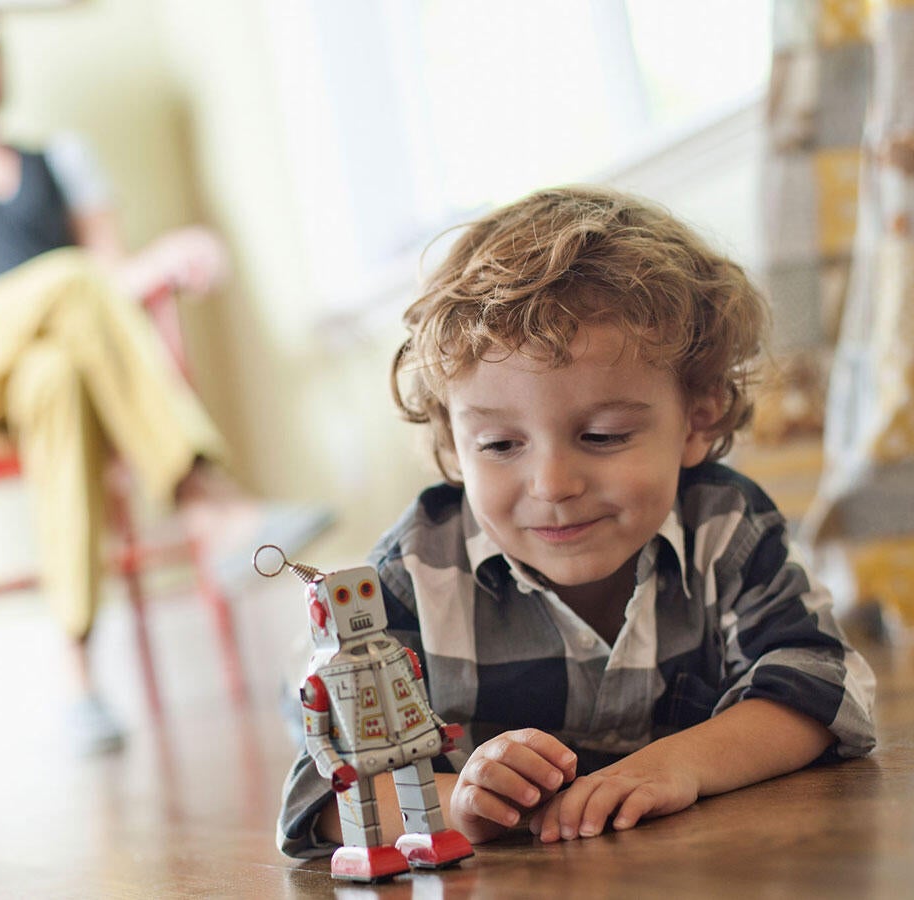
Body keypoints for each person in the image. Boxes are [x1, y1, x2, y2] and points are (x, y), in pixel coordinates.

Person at [276, 186, 876, 855]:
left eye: (604, 435)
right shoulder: (408, 579)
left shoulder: (724, 528)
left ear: (697, 419)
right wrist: (460, 802)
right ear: (452, 446)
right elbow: (324, 793)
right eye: (501, 447)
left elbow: (821, 685)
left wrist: (679, 764)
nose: (554, 485)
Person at [0, 4, 331, 754]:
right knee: (69, 279)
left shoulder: (60, 161)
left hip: (33, 376)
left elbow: (109, 278)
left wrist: (165, 255)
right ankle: (202, 498)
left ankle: (78, 680)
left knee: (57, 374)